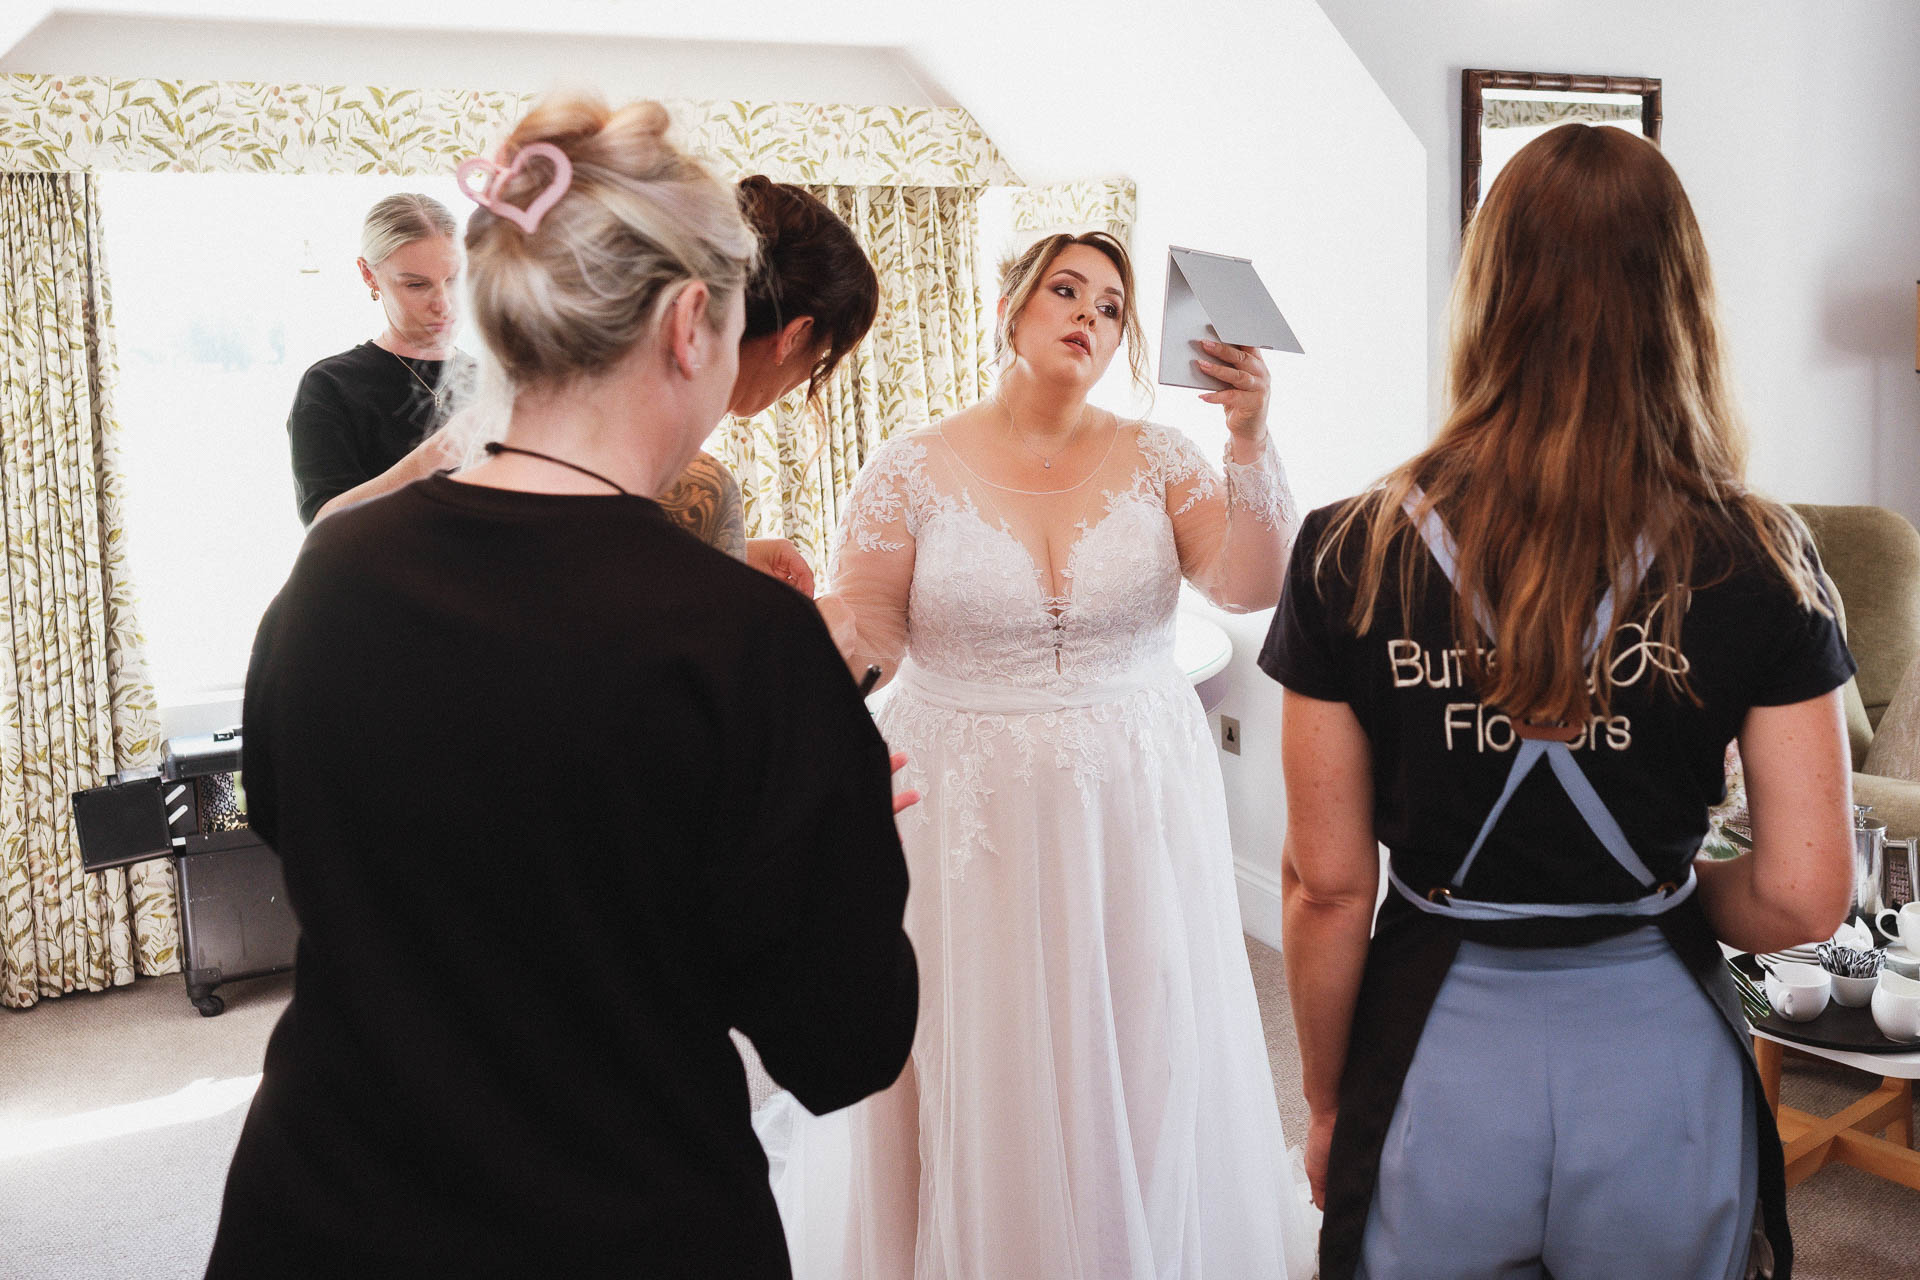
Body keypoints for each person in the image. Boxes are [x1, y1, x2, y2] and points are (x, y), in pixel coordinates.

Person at [206, 94, 916, 1279]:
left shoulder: (331, 570)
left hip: (323, 1211)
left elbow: (292, 821)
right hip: (618, 1219)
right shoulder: (748, 641)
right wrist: (831, 840)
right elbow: (846, 1041)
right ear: (693, 323)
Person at [1263, 123, 1855, 1280]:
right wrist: (1672, 889)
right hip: (1658, 1057)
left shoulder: (1348, 547)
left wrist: (1331, 1101)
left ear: (1486, 293)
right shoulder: (1764, 555)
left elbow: (1325, 887)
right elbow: (1803, 889)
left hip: (1438, 1054)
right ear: (1682, 302)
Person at [789, 230, 1318, 1278]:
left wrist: (1250, 437)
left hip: (1135, 788)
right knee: (982, 1048)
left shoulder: (1163, 459)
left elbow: (1252, 585)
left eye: (1113, 305)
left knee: (1136, 1030)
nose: (1089, 314)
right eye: (1066, 290)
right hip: (964, 800)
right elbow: (868, 632)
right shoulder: (911, 464)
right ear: (1012, 306)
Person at [311, 176, 879, 598]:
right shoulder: (694, 484)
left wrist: (731, 554)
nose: (440, 303)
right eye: (823, 356)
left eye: (454, 281)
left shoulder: (541, 410)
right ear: (796, 334)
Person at [286, 193, 474, 525]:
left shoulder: (496, 381)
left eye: (454, 280)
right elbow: (323, 527)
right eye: (417, 285)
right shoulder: (330, 385)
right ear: (369, 275)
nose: (444, 304)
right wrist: (432, 458)